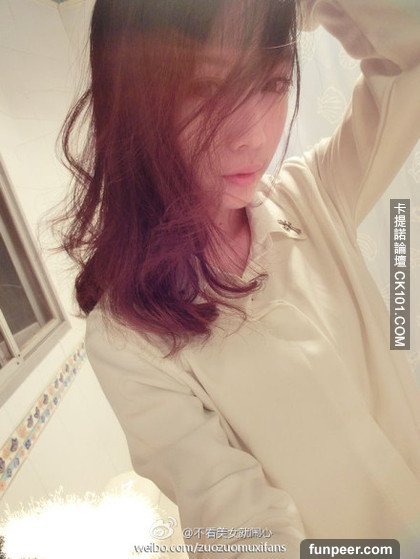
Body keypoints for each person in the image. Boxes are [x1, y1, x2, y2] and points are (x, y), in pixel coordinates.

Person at [54, 0, 420, 557]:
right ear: (135, 98)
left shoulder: (315, 192)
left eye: (273, 82)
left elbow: (408, 56)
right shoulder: (127, 336)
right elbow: (237, 524)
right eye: (206, 88)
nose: (253, 135)